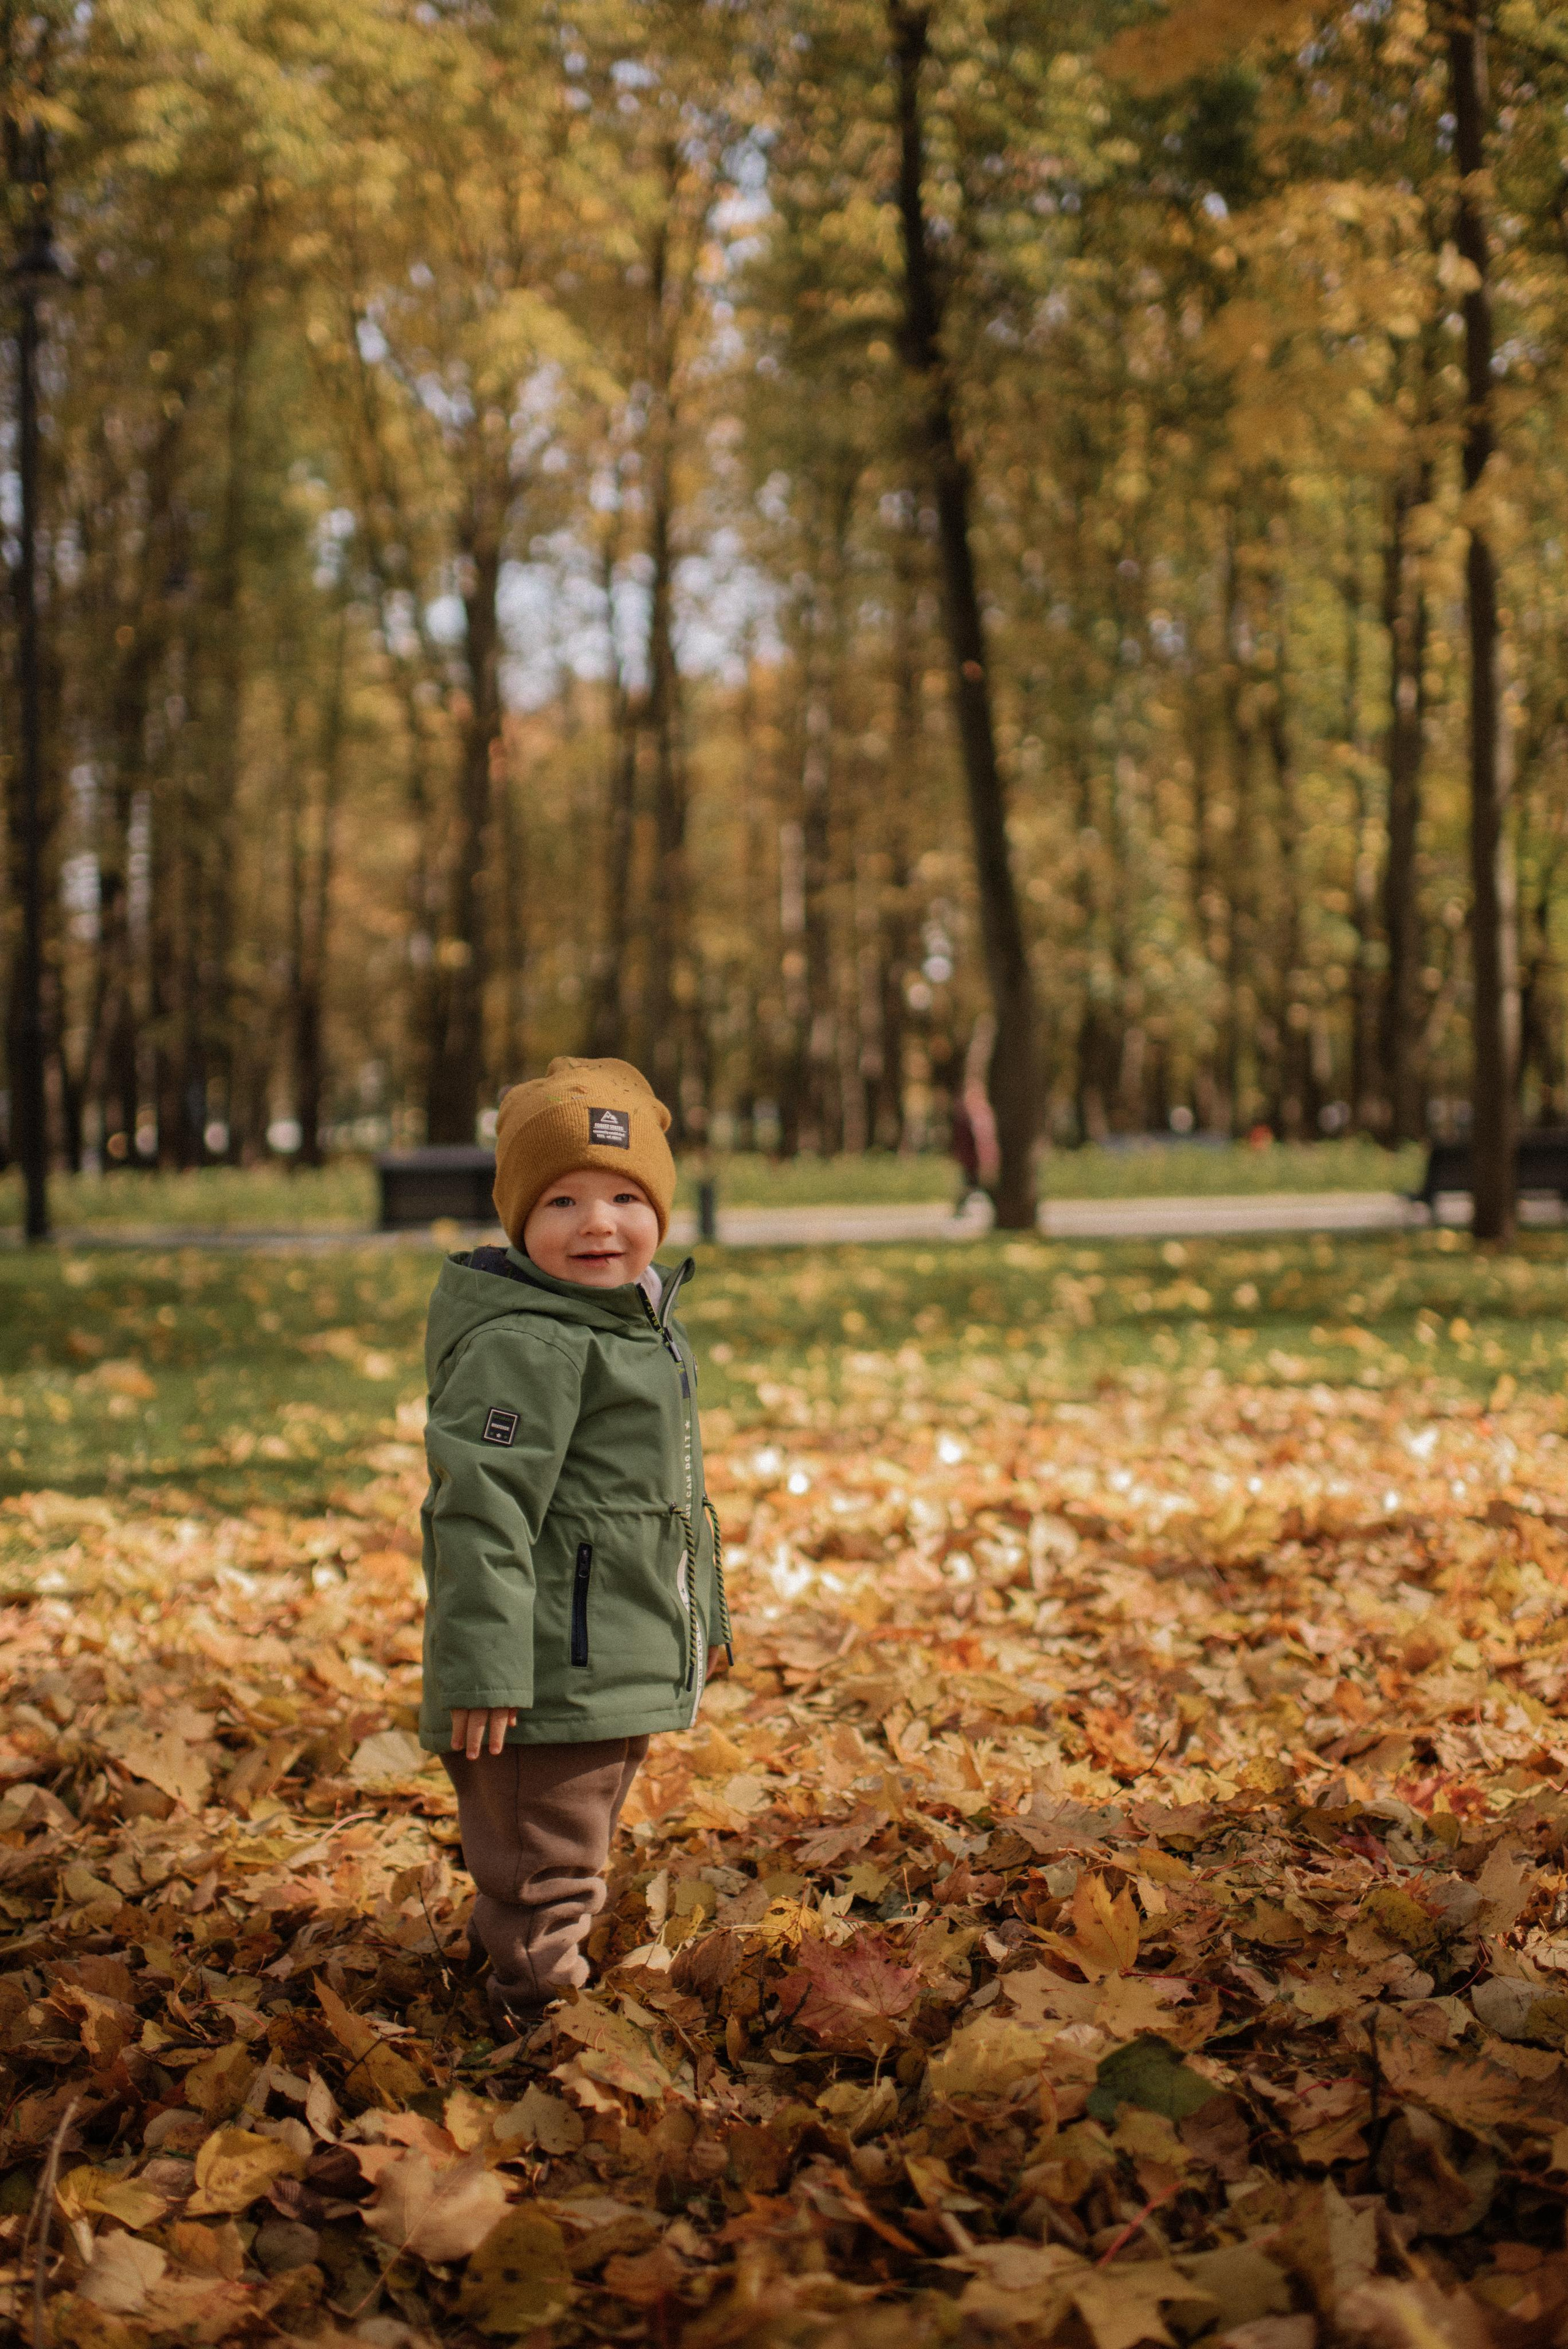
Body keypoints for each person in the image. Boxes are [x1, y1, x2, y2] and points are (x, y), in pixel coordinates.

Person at [417, 1056, 729, 2024]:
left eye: (625, 1195)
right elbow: (479, 1512)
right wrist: (483, 1666)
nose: (598, 1222)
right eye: (562, 1200)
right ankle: (538, 2022)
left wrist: (701, 1616)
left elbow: (676, 1501)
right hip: (540, 1675)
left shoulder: (627, 1327)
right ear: (518, 1219)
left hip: (608, 1651)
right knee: (549, 1869)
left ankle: (496, 1974)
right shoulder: (532, 1344)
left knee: (566, 1841)